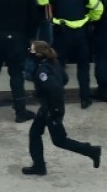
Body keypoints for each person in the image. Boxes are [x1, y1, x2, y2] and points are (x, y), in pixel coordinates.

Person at [22, 41, 102, 176]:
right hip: (48, 108)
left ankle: (91, 151)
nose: (30, 52)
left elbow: (53, 88)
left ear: (39, 54)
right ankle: (39, 165)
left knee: (60, 141)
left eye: (32, 51)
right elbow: (64, 79)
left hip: (51, 109)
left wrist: (41, 95)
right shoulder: (54, 62)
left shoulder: (42, 70)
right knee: (34, 133)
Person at [34, 0, 103, 108]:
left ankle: (57, 97)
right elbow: (98, 8)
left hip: (62, 33)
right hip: (82, 34)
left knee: (56, 65)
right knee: (83, 67)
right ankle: (85, 99)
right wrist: (90, 19)